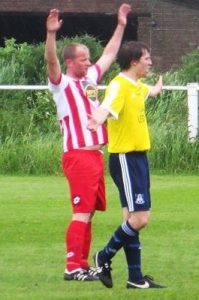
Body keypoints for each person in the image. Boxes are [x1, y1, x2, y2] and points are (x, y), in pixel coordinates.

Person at [45, 4, 131, 282]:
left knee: (89, 213)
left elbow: (109, 53)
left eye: (87, 58)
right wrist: (50, 35)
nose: (88, 61)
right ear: (70, 61)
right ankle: (72, 266)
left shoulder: (90, 79)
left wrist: (120, 24)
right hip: (79, 154)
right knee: (81, 212)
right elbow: (51, 63)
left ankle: (81, 264)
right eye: (82, 58)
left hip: (95, 156)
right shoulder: (62, 84)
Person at [87, 41, 166, 288]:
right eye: (146, 58)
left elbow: (148, 92)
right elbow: (107, 107)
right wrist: (97, 119)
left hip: (138, 158)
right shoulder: (119, 86)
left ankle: (135, 277)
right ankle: (104, 255)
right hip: (125, 159)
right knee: (140, 219)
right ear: (133, 62)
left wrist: (157, 88)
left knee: (131, 218)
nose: (150, 62)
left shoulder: (136, 85)